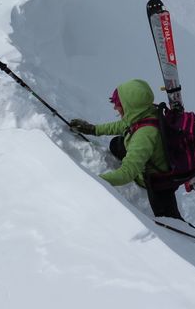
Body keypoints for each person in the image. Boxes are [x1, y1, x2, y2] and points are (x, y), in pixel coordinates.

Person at [70, 79, 182, 219]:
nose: (115, 108)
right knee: (116, 143)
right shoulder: (146, 112)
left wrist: (94, 180)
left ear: (130, 106)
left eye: (118, 104)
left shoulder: (145, 136)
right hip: (152, 155)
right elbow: (122, 125)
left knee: (168, 220)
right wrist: (93, 129)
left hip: (157, 180)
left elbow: (127, 173)